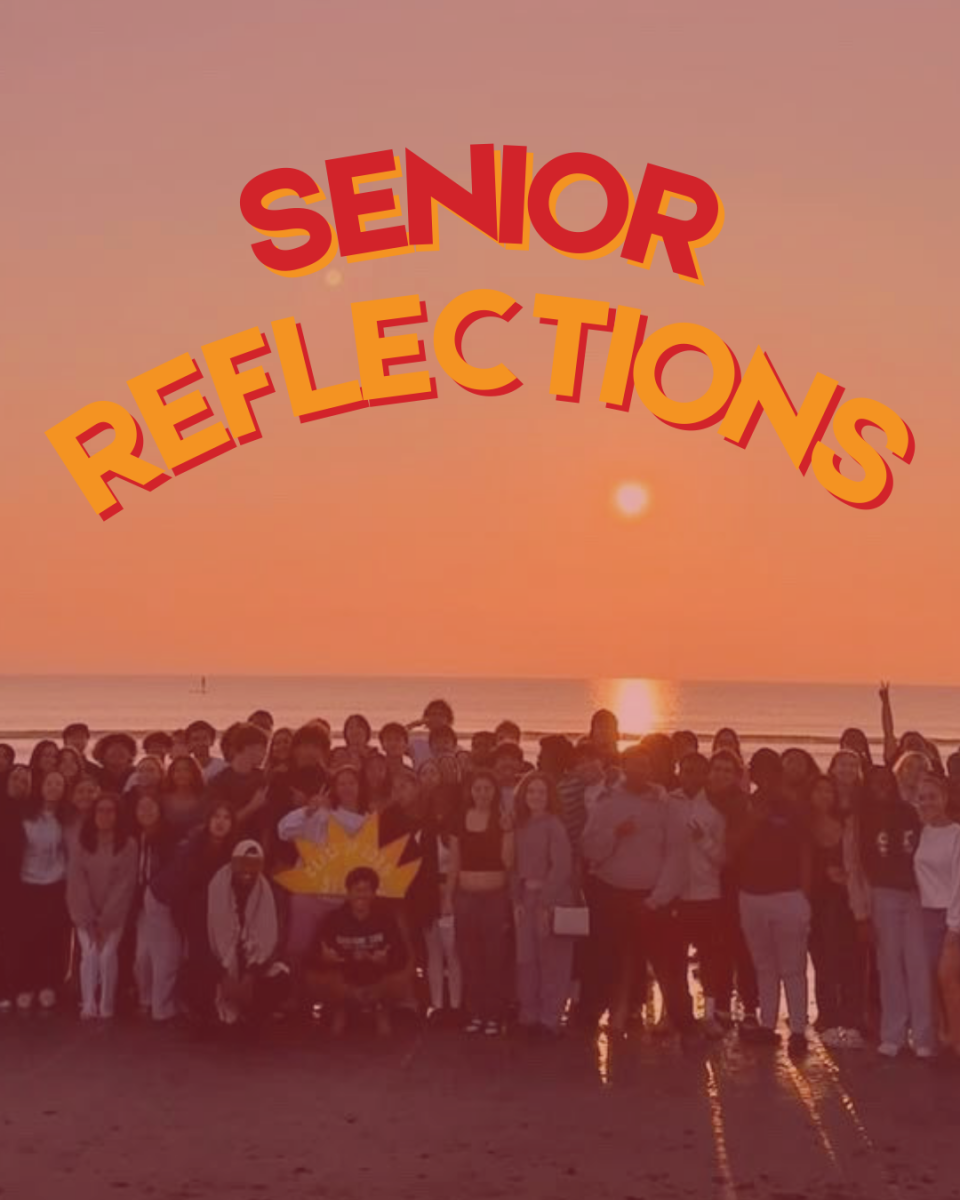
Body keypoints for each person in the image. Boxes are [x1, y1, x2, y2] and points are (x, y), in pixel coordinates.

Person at [580, 745, 693, 1039]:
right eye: (632, 765)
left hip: (651, 898)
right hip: (612, 894)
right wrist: (615, 834)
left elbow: (677, 854)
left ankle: (683, 1023)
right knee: (610, 960)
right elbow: (590, 849)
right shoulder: (607, 803)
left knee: (667, 965)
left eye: (644, 765)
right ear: (624, 766)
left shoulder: (665, 805)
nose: (638, 770)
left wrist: (659, 897)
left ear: (651, 770)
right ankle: (603, 1018)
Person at [730, 749, 812, 1056]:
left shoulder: (793, 807)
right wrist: (753, 819)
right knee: (764, 965)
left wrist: (804, 894)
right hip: (751, 895)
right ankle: (767, 1025)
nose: (765, 778)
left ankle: (799, 1029)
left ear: (778, 774)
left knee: (793, 967)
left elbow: (806, 850)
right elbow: (731, 847)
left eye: (770, 772)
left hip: (788, 896)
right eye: (758, 771)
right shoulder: (745, 806)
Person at [853, 764, 934, 1058]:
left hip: (914, 894)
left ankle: (924, 1037)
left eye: (886, 780)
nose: (881, 785)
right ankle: (893, 1034)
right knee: (889, 965)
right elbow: (858, 861)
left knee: (918, 964)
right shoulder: (862, 818)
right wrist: (862, 907)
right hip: (882, 892)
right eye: (875, 781)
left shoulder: (910, 812)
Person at [277, 764, 366, 1001]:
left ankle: (340, 1002)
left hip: (346, 899)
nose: (347, 788)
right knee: (298, 948)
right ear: (334, 788)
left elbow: (363, 834)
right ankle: (295, 998)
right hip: (310, 894)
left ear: (360, 787)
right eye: (342, 783)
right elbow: (283, 830)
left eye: (352, 782)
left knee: (343, 952)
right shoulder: (319, 815)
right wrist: (308, 809)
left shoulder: (367, 819)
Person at [149, 803, 238, 1021]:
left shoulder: (232, 850)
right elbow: (181, 889)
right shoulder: (192, 847)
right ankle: (162, 1009)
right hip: (165, 900)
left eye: (226, 817)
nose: (220, 821)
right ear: (207, 820)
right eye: (216, 815)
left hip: (201, 908)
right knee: (170, 956)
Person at [448, 769, 515, 1035]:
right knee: (469, 956)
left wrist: (509, 832)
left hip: (495, 896)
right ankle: (476, 1012)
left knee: (495, 957)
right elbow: (454, 863)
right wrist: (447, 898)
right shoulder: (458, 819)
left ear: (495, 791)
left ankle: (495, 1015)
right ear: (471, 791)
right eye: (478, 789)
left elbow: (509, 862)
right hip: (465, 896)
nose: (483, 794)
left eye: (488, 788)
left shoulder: (502, 820)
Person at [308, 866, 411, 1037]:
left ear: (374, 894)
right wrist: (325, 959)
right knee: (315, 976)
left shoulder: (386, 918)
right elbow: (310, 957)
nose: (361, 895)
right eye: (357, 890)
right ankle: (340, 1009)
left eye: (366, 890)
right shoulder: (332, 919)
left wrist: (386, 961)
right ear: (348, 893)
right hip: (344, 981)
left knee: (401, 975)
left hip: (378, 979)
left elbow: (403, 956)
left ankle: (382, 1010)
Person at [511, 771, 574, 1036]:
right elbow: (512, 866)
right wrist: (515, 899)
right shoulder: (518, 825)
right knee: (526, 959)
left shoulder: (554, 825)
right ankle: (529, 1014)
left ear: (550, 797)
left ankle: (550, 1019)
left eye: (541, 792)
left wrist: (546, 903)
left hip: (552, 898)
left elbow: (562, 866)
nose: (536, 797)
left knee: (553, 961)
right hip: (525, 898)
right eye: (531, 792)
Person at [670, 751, 727, 1037]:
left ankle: (709, 1014)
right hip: (675, 894)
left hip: (707, 895)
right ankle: (675, 1013)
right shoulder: (668, 804)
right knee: (674, 958)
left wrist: (702, 840)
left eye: (697, 772)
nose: (691, 776)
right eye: (686, 770)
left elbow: (722, 857)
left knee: (709, 957)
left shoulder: (714, 813)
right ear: (679, 772)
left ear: (706, 776)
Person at [66, 793, 138, 1019]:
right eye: (100, 810)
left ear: (117, 815)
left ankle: (107, 1004)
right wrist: (88, 918)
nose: (105, 815)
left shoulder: (128, 844)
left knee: (107, 954)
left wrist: (105, 921)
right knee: (89, 952)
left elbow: (124, 886)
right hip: (84, 913)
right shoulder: (81, 842)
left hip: (113, 915)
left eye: (110, 811)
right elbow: (76, 882)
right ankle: (88, 1004)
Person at [808, 775, 865, 1047]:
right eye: (818, 790)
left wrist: (845, 875)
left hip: (845, 899)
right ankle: (828, 1016)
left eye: (828, 791)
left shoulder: (847, 823)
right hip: (814, 900)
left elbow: (857, 860)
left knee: (850, 959)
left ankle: (852, 1017)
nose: (824, 795)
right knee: (823, 960)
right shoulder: (803, 825)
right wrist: (824, 872)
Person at [206, 840, 289, 1027]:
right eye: (243, 863)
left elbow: (275, 942)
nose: (248, 870)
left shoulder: (271, 894)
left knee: (281, 980)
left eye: (254, 864)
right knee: (193, 976)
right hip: (218, 964)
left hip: (254, 967)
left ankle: (253, 1020)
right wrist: (223, 973)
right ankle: (209, 1019)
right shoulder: (214, 889)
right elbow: (203, 939)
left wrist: (251, 974)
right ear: (233, 863)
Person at [705, 750, 758, 1029]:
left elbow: (736, 846)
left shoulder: (742, 805)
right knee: (715, 945)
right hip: (703, 881)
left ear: (737, 776)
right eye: (717, 769)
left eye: (728, 770)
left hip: (735, 881)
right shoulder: (701, 800)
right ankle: (720, 1004)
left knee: (741, 943)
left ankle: (750, 1006)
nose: (721, 774)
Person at [912, 773, 960, 1056]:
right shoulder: (921, 832)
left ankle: (956, 1041)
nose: (927, 802)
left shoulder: (957, 834)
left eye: (933, 796)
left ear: (944, 798)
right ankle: (945, 1034)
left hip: (952, 915)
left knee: (948, 978)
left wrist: (954, 928)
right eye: (922, 797)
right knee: (934, 978)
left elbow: (959, 883)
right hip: (927, 914)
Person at [16, 769, 70, 1011]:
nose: (54, 787)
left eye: (59, 784)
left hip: (55, 884)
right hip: (27, 884)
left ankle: (48, 985)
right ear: (41, 786)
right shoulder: (26, 815)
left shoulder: (67, 817)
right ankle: (26, 984)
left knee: (52, 937)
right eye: (49, 783)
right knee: (27, 937)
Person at [130, 791, 180, 1021]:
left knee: (165, 956)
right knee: (142, 956)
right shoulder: (131, 836)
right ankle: (145, 998)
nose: (146, 812)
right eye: (141, 807)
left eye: (151, 807)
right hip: (140, 905)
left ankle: (163, 1004)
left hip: (163, 903)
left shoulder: (169, 836)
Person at [161, 755, 207, 835]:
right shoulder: (163, 799)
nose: (181, 774)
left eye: (186, 770)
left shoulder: (204, 799)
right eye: (177, 770)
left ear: (194, 773)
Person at [407, 699, 455, 769]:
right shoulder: (417, 744)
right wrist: (414, 724)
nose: (436, 718)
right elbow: (396, 738)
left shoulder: (456, 748)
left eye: (441, 715)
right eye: (433, 714)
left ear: (448, 719)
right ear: (426, 718)